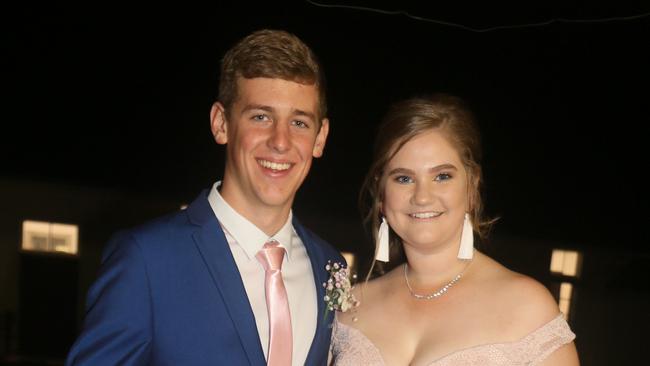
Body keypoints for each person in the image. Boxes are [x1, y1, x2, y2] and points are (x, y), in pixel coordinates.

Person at [66, 29, 344, 366]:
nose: (281, 142)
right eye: (261, 117)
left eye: (299, 122)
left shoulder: (330, 267)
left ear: (320, 137)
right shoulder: (146, 260)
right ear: (221, 123)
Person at [331, 94, 579, 365]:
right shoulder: (352, 306)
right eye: (403, 178)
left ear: (472, 186)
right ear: (381, 193)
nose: (422, 196)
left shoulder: (526, 307)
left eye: (442, 176)